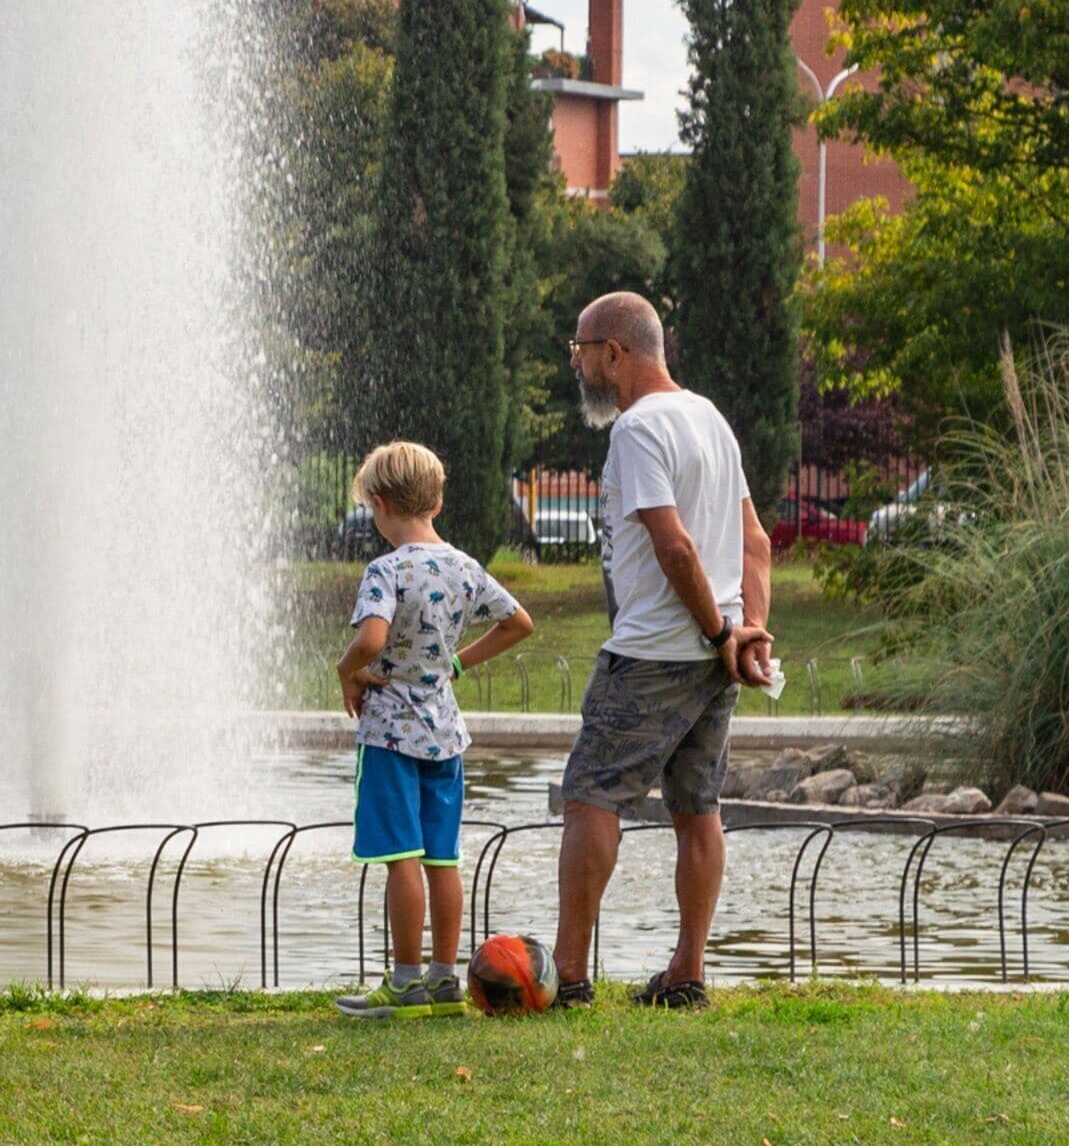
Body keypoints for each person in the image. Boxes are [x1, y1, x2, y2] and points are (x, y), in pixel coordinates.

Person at [552, 290, 778, 1012]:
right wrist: (748, 634)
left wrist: (719, 633)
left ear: (614, 353)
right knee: (697, 808)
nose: (578, 364)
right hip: (715, 658)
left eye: (581, 350)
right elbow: (756, 544)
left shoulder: (638, 429)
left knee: (592, 796)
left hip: (656, 652)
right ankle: (687, 974)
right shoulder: (709, 418)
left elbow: (672, 542)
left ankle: (569, 975)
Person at [333, 439, 535, 1015]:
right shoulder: (463, 567)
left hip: (391, 735)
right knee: (442, 859)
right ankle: (445, 981)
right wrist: (454, 663)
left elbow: (371, 639)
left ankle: (404, 983)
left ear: (379, 504)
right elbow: (519, 622)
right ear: (436, 503)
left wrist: (347, 668)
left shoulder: (386, 570)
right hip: (445, 732)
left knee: (402, 856)